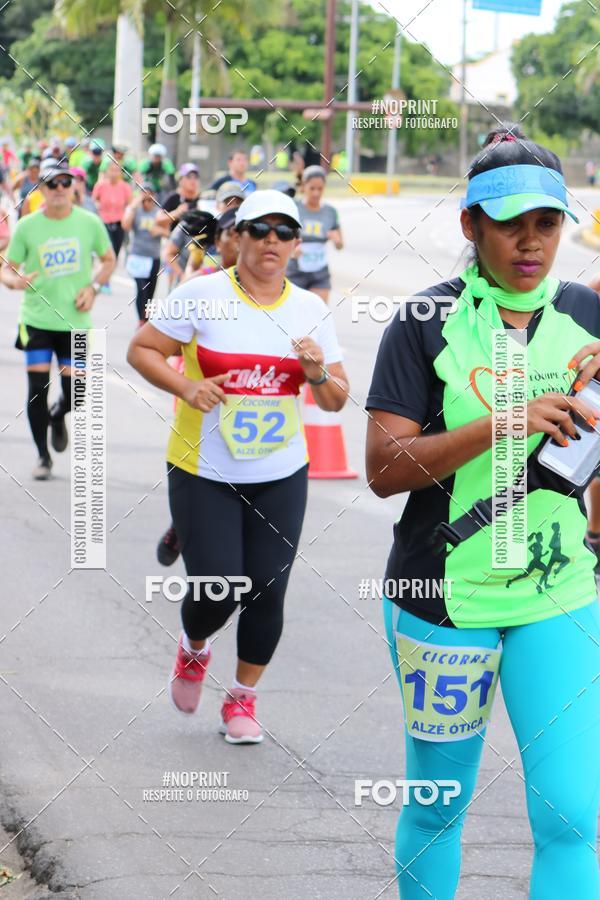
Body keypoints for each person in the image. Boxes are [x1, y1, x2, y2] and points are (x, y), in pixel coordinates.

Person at [365, 123, 600, 899]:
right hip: (442, 601)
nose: (530, 243)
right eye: (508, 224)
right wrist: (502, 422)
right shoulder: (424, 323)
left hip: (559, 596)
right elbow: (383, 469)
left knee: (571, 815)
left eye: (546, 222)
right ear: (470, 225)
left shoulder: (588, 315)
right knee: (438, 807)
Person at [128, 189, 349, 742]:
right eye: (259, 229)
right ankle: (194, 647)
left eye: (283, 231)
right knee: (218, 588)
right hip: (204, 469)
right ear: (238, 237)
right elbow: (141, 349)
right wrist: (187, 384)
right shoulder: (202, 295)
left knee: (268, 589)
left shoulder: (309, 310)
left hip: (280, 472)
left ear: (297, 244)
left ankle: (242, 701)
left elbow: (337, 400)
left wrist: (317, 372)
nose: (271, 240)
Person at [1, 158, 115, 479]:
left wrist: (94, 287)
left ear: (74, 186)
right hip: (36, 320)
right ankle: (43, 457)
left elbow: (108, 259)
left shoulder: (89, 223)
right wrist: (14, 282)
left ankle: (57, 415)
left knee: (76, 394)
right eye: (53, 183)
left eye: (66, 183)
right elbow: (7, 270)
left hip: (76, 321)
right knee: (37, 387)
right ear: (42, 188)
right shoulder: (27, 226)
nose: (60, 189)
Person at [156, 207, 241, 566]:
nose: (243, 238)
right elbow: (164, 339)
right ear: (219, 239)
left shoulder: (272, 284)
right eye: (233, 231)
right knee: (202, 467)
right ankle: (184, 523)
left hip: (251, 399)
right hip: (198, 392)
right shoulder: (201, 279)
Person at [286, 165, 343, 303]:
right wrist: (292, 249)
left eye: (320, 189)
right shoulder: (293, 208)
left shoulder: (330, 212)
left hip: (320, 273)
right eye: (312, 188)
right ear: (303, 186)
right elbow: (281, 237)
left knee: (319, 316)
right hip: (294, 271)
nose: (316, 193)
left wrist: (337, 241)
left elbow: (340, 244)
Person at [122, 182, 170, 326]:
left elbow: (168, 233)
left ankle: (146, 319)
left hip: (153, 257)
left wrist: (160, 231)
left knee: (150, 293)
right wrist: (135, 203)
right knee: (141, 289)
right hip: (138, 256)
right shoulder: (135, 211)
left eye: (150, 199)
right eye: (144, 198)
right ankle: (141, 320)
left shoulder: (158, 213)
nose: (147, 202)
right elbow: (125, 225)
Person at [92, 160, 133, 264]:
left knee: (116, 252)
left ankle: (109, 272)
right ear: (107, 172)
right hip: (104, 222)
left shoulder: (125, 187)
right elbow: (95, 200)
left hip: (120, 223)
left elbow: (129, 204)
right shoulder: (101, 185)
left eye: (117, 171)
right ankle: (105, 275)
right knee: (108, 250)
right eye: (112, 170)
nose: (114, 173)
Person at [162, 209, 216, 287]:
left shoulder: (214, 231)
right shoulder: (185, 226)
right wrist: (183, 275)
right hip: (187, 280)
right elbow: (168, 254)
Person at [156, 163, 201, 232]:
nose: (193, 180)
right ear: (180, 180)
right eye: (189, 177)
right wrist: (177, 213)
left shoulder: (201, 199)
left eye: (196, 177)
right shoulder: (174, 198)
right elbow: (158, 220)